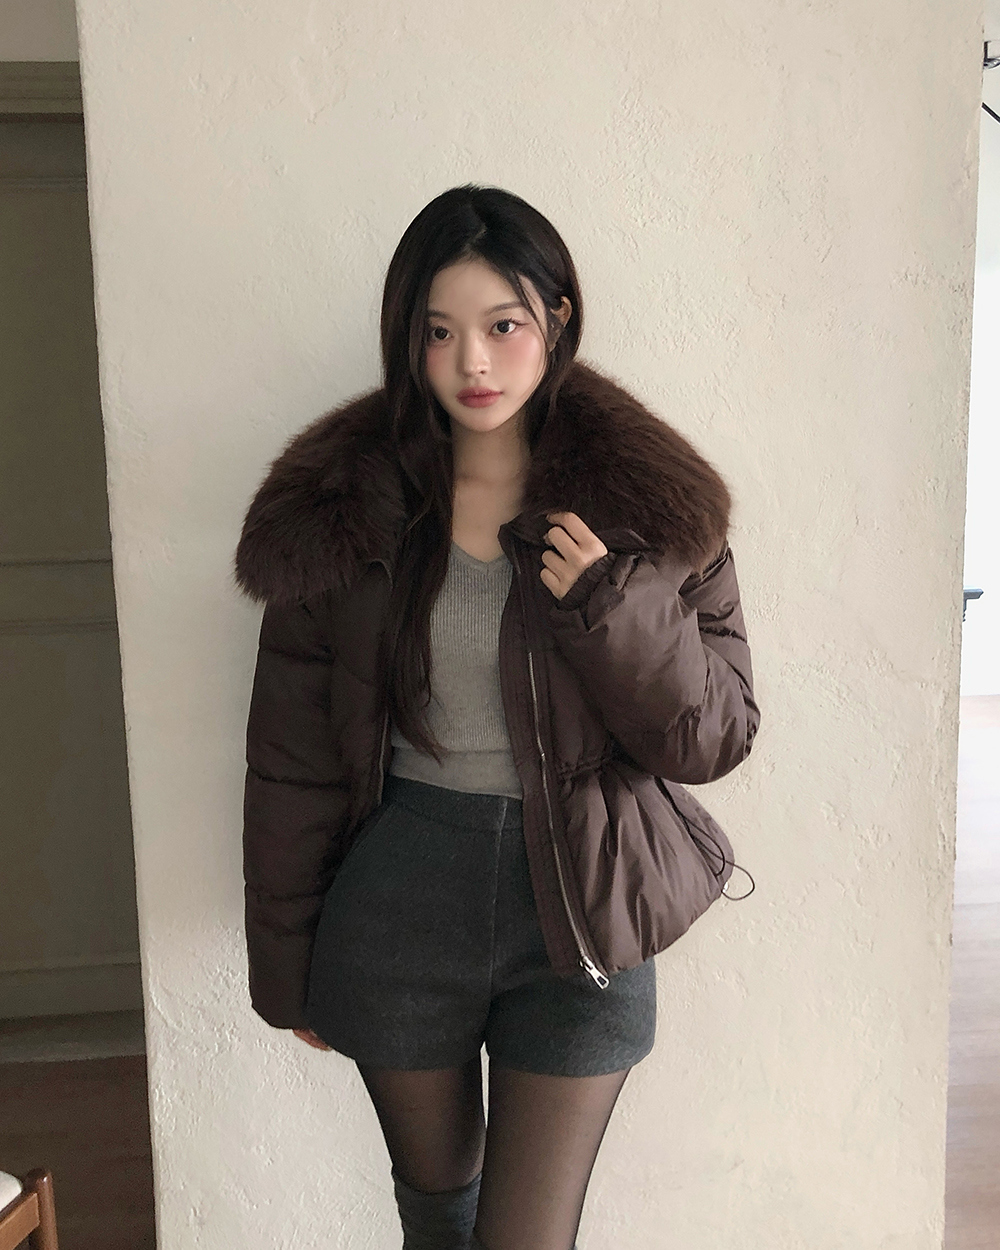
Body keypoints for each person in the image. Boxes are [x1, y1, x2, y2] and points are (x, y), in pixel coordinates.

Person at [233, 184, 760, 1250]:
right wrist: (285, 972)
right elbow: (291, 762)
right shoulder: (341, 510)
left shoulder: (651, 506)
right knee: (438, 1221)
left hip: (583, 907)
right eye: (439, 332)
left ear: (557, 317)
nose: (471, 361)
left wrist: (612, 607)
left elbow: (715, 736)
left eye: (502, 325)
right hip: (398, 906)